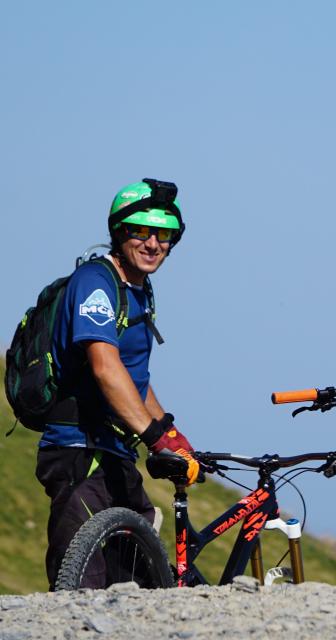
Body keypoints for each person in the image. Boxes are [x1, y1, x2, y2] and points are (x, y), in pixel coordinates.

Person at [35, 178, 200, 589]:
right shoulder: (96, 282)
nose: (152, 243)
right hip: (78, 449)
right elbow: (106, 368)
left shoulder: (140, 292)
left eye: (163, 234)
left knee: (143, 577)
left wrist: (171, 434)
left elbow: (135, 381)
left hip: (114, 450)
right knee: (83, 585)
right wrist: (154, 438)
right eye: (140, 231)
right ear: (119, 232)